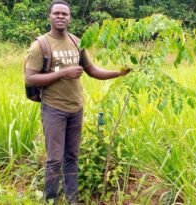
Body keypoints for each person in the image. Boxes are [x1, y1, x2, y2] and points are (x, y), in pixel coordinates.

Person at [24, 0, 130, 204]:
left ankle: (73, 199)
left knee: (72, 156)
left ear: (70, 17)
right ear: (49, 17)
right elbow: (30, 78)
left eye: (65, 14)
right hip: (54, 108)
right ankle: (51, 199)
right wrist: (65, 72)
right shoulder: (40, 45)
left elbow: (93, 71)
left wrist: (119, 73)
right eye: (57, 13)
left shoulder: (76, 42)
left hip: (76, 108)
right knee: (54, 159)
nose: (61, 16)